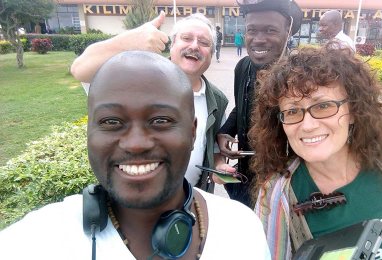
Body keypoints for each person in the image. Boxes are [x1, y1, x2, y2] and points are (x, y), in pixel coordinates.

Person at [0, 51, 272, 260]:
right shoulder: (33, 242)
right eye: (110, 122)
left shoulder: (243, 230)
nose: (136, 144)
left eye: (161, 120)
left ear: (192, 133)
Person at [248, 45, 382, 259]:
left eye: (323, 106)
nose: (307, 125)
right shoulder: (278, 192)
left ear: (353, 110)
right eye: (292, 111)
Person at [71, 12, 228, 193]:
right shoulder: (135, 79)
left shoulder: (217, 99)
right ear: (172, 44)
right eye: (186, 38)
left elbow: (214, 148)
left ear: (211, 53)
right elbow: (79, 69)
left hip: (189, 206)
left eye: (204, 42)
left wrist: (219, 166)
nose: (194, 46)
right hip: (130, 203)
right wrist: (127, 43)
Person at [215, 0, 302, 208]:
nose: (259, 39)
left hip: (284, 181)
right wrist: (224, 132)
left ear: (287, 31)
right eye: (251, 30)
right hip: (244, 176)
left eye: (270, 30)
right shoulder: (243, 67)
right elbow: (241, 105)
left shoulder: (301, 77)